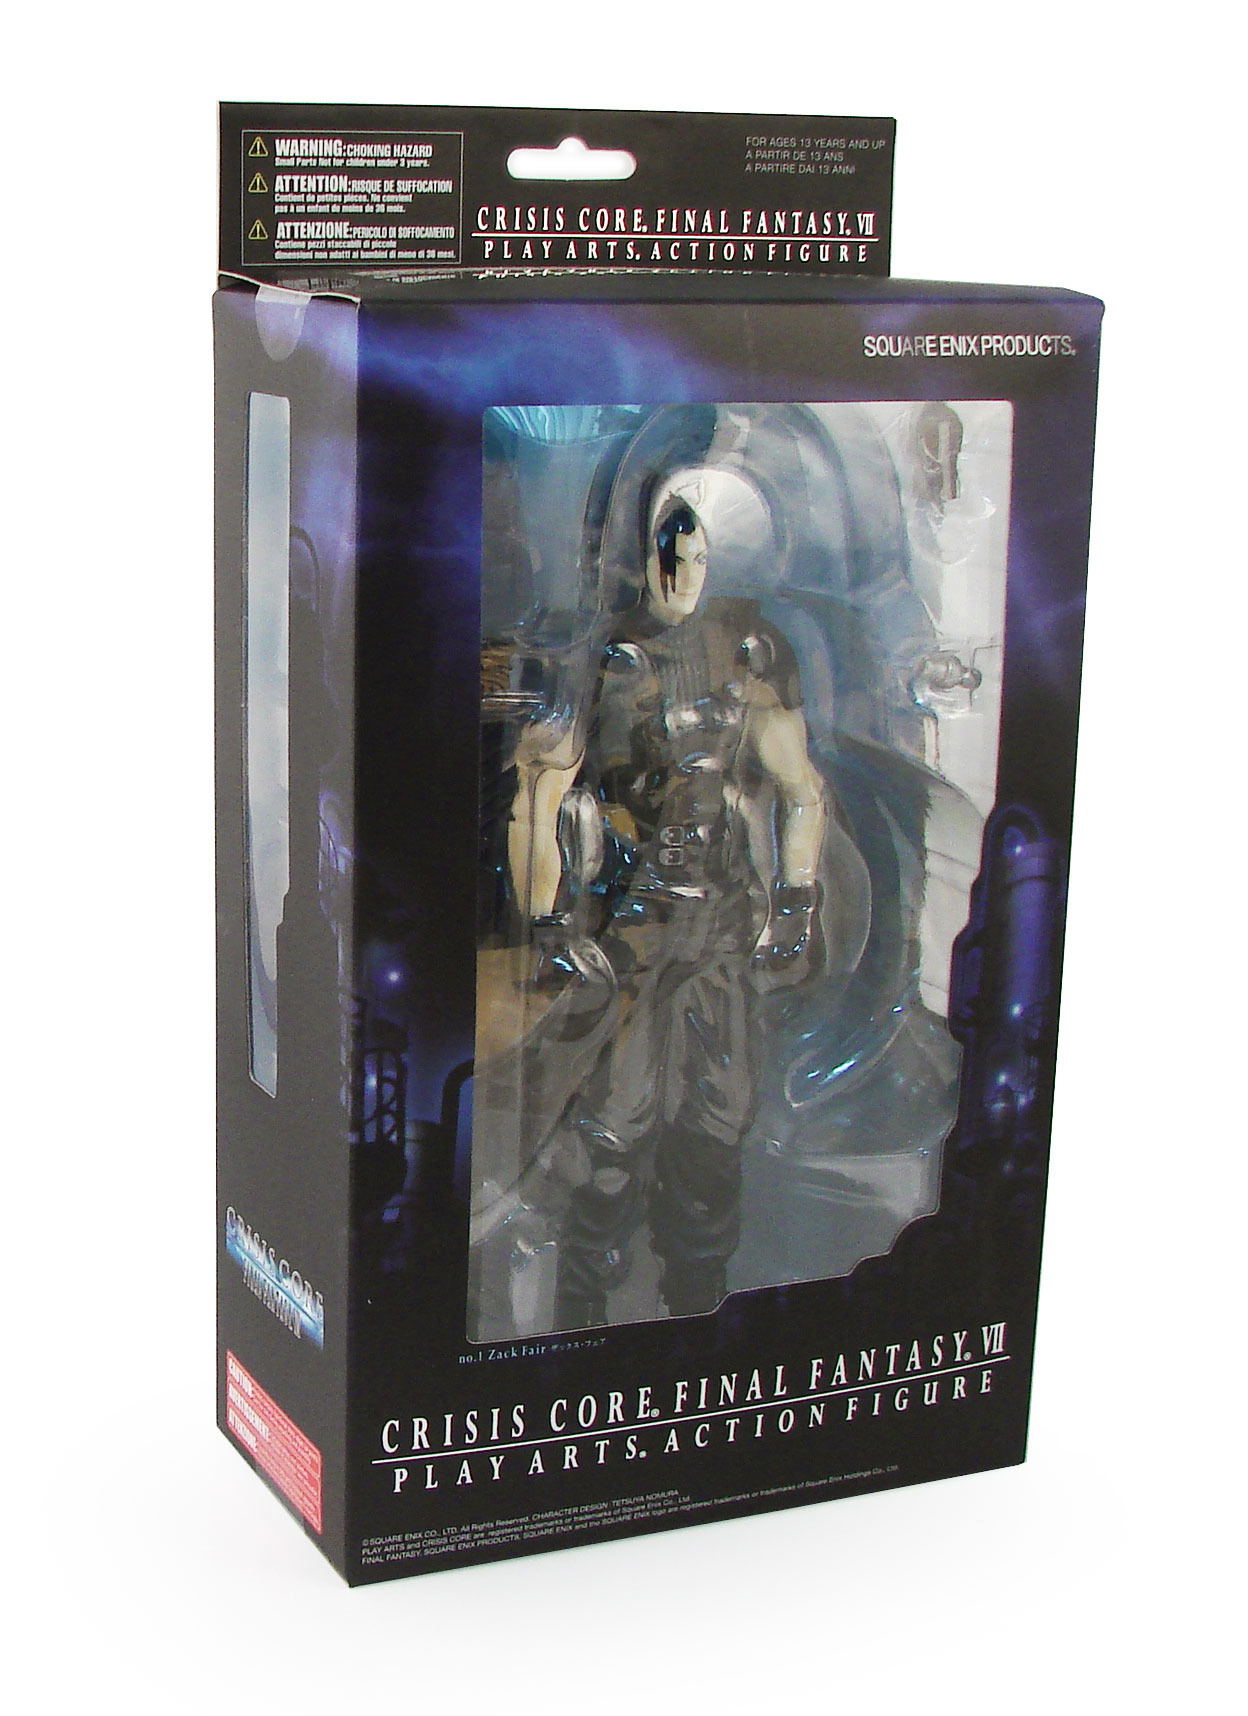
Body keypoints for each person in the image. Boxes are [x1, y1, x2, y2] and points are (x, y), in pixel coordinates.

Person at [508, 468, 828, 1328]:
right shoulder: (601, 657)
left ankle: (698, 1302)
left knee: (719, 1124)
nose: (683, 567)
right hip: (630, 924)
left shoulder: (751, 647)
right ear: (640, 547)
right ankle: (581, 1306)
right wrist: (547, 924)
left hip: (722, 915)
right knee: (615, 1130)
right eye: (670, 544)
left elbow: (801, 788)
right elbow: (539, 796)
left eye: (700, 548)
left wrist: (795, 902)